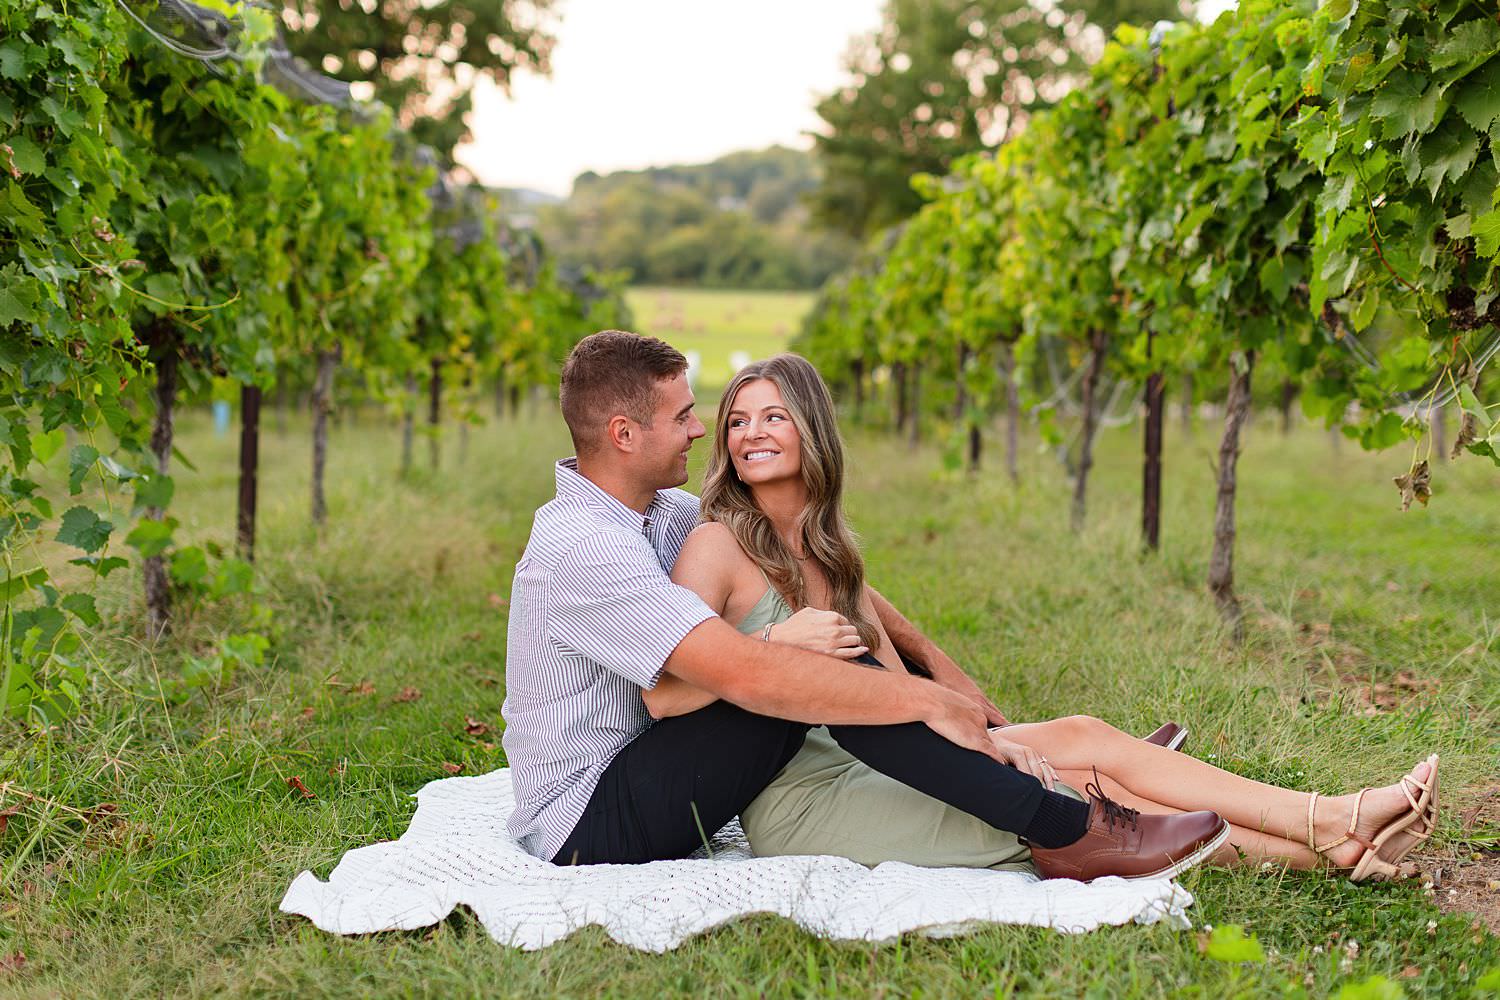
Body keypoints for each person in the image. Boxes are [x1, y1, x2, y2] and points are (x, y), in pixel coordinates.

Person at [643, 352, 1439, 882]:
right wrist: (779, 643)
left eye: (773, 416)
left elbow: (890, 683)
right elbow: (671, 687)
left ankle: (1328, 822)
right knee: (1079, 786)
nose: (752, 434)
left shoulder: (831, 552)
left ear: (812, 428)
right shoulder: (716, 547)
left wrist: (987, 737)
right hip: (808, 797)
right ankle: (1324, 846)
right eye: (737, 421)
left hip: (891, 756)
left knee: (1083, 735)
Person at [501, 330, 1229, 880]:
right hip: (584, 826)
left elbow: (799, 564)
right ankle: (1063, 828)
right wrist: (916, 700)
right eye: (685, 416)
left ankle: (1067, 791)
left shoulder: (662, 511)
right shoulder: (583, 546)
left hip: (654, 767)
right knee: (809, 678)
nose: (701, 429)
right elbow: (695, 692)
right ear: (625, 435)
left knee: (826, 659)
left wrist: (948, 683)